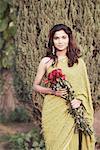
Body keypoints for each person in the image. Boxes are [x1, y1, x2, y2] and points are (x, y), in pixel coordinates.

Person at [33, 24, 95, 150]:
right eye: (56, 38)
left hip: (72, 110)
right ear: (52, 40)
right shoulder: (46, 61)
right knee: (55, 145)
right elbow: (35, 85)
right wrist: (53, 91)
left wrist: (79, 100)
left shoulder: (78, 62)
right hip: (53, 110)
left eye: (63, 37)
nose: (60, 41)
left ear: (69, 39)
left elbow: (84, 88)